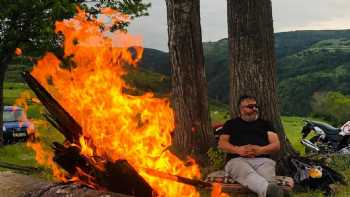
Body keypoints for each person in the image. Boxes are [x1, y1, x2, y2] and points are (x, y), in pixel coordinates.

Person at [218, 95, 283, 197]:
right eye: (250, 106)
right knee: (245, 172)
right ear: (241, 109)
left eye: (256, 106)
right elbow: (222, 144)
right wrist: (238, 150)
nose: (254, 109)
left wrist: (260, 150)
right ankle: (270, 191)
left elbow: (276, 145)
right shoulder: (230, 124)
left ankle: (268, 191)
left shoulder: (266, 124)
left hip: (263, 160)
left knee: (267, 175)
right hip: (237, 160)